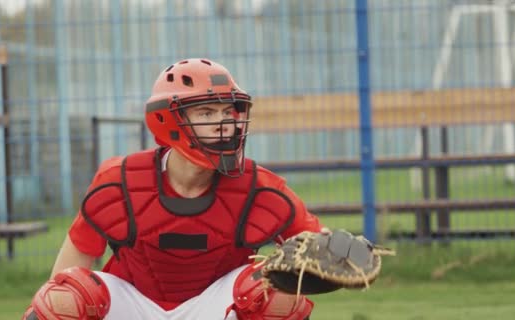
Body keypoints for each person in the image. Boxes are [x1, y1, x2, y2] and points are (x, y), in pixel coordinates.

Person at [23, 58, 325, 320]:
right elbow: (63, 279)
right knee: (67, 297)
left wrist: (332, 252)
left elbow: (318, 246)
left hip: (214, 308)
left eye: (227, 112)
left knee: (276, 295)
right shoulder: (121, 181)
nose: (224, 124)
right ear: (168, 120)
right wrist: (57, 305)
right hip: (134, 306)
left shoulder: (261, 187)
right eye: (206, 113)